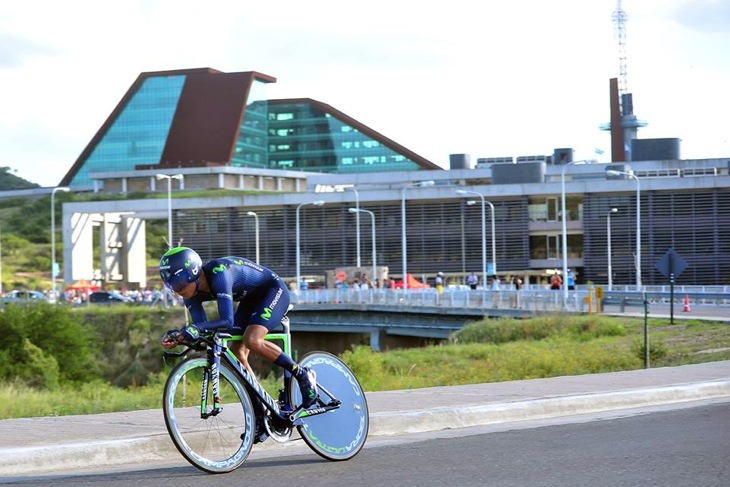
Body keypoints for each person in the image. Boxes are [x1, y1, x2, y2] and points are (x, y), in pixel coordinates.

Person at [158, 247, 318, 409]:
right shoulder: (190, 296)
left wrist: (194, 328)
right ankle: (262, 406)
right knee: (237, 352)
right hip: (249, 299)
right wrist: (181, 338)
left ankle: (302, 374)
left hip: (272, 290)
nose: (178, 292)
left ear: (193, 273)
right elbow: (203, 335)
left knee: (252, 340)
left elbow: (227, 321)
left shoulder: (220, 274)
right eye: (172, 287)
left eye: (179, 285)